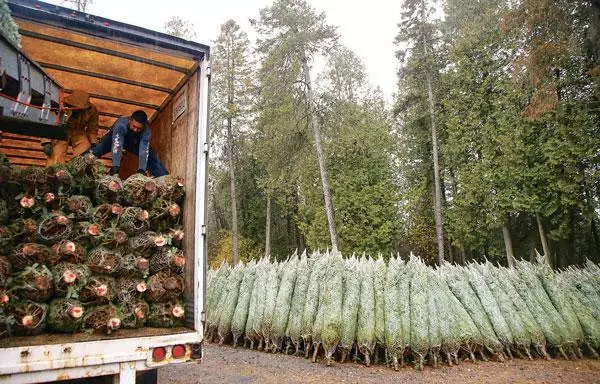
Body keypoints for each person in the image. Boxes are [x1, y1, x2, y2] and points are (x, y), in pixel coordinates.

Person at [87, 110, 168, 177]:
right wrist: (116, 167)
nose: (135, 130)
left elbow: (144, 150)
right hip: (113, 139)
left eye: (139, 128)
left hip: (134, 143)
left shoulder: (146, 131)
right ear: (130, 120)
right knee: (97, 149)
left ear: (143, 126)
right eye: (134, 126)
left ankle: (164, 178)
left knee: (152, 158)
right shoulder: (120, 125)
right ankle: (81, 164)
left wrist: (141, 170)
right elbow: (117, 146)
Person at [41, 90, 99, 165]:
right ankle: (55, 172)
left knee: (85, 151)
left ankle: (79, 171)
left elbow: (93, 128)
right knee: (56, 153)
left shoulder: (91, 110)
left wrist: (93, 143)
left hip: (79, 132)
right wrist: (46, 141)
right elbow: (48, 123)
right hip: (61, 131)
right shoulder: (60, 105)